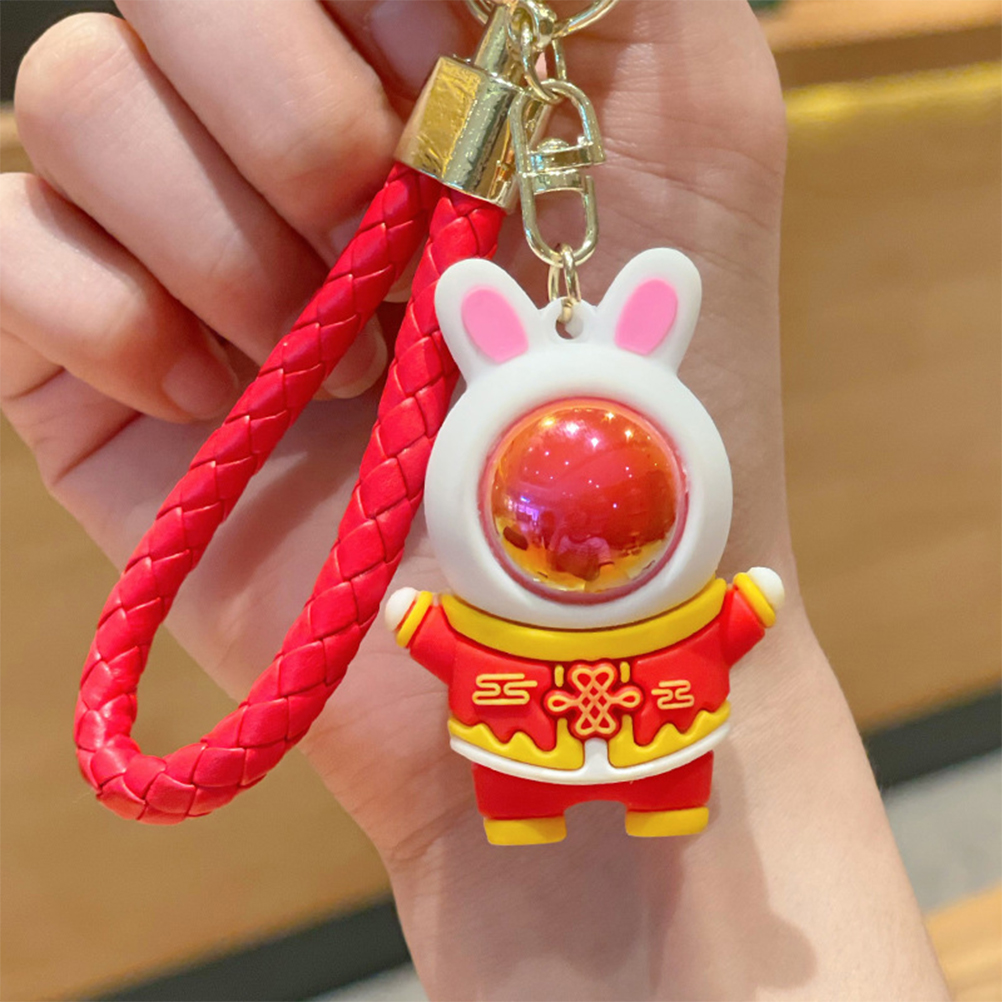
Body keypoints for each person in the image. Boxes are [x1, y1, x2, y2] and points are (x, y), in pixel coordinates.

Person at [1, 2, 949, 997]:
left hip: (633, 710)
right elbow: (463, 632)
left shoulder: (638, 470)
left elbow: (722, 618)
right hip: (521, 713)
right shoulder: (543, 463)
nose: (586, 526)